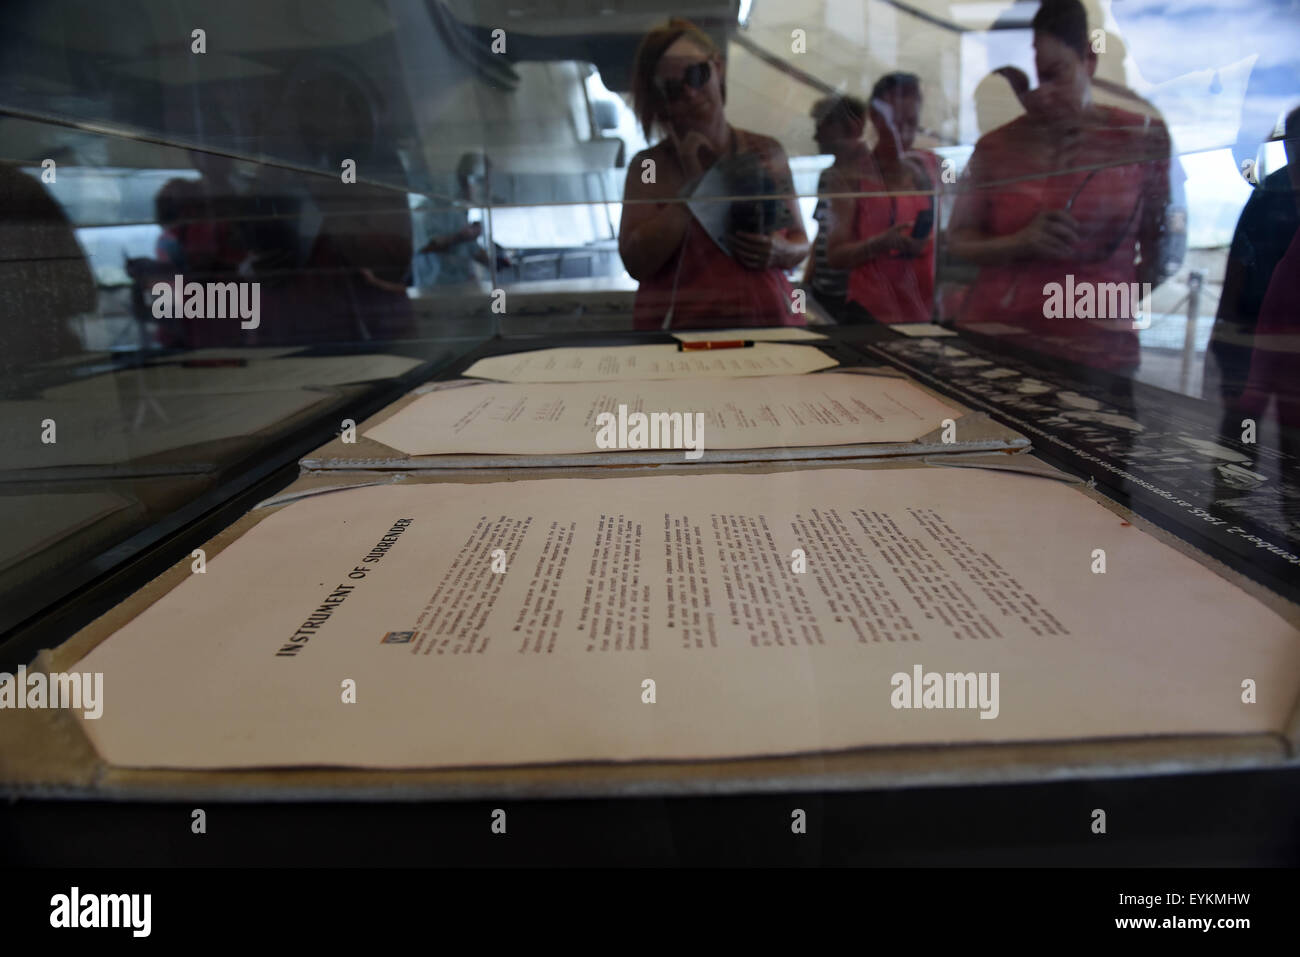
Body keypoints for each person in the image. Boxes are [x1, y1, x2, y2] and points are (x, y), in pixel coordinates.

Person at [947, 0, 1177, 375]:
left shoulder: (1139, 137)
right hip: (995, 343)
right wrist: (1019, 243)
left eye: (1053, 74)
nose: (1039, 96)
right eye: (1021, 84)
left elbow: (1164, 249)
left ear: (1089, 57)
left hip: (1099, 355)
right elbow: (956, 241)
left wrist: (1099, 306)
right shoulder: (994, 147)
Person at [619, 18, 809, 329]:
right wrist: (697, 189)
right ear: (659, 96)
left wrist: (780, 250)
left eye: (696, 75)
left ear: (717, 68)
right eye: (673, 87)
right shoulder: (650, 166)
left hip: (770, 322)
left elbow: (801, 241)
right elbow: (636, 262)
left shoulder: (766, 151)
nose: (691, 94)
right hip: (682, 335)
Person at [825, 72, 940, 324]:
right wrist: (880, 243)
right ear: (876, 119)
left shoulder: (934, 167)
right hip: (870, 311)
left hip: (925, 308)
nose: (906, 133)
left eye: (912, 122)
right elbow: (834, 256)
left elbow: (956, 233)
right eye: (897, 123)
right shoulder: (849, 177)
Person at [804, 94, 868, 317]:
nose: (816, 136)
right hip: (822, 294)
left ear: (850, 128)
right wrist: (806, 285)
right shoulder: (828, 175)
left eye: (822, 127)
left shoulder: (871, 176)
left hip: (855, 298)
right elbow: (821, 233)